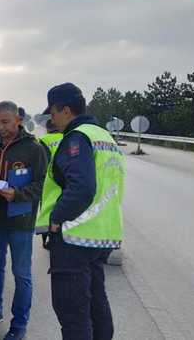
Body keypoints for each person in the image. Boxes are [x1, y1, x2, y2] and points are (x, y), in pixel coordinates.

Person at [36, 83, 125, 340]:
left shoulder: (77, 137)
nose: (51, 119)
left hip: (74, 235)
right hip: (101, 235)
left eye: (52, 113)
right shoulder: (105, 137)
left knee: (72, 311)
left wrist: (56, 219)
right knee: (96, 303)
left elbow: (82, 187)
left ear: (65, 110)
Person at [0, 101, 48, 340]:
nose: (0, 127)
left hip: (20, 223)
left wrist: (18, 194)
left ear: (18, 120)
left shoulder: (34, 148)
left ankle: (19, 324)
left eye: (5, 122)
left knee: (22, 275)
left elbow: (41, 186)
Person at [37, 119, 63, 249]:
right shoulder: (68, 137)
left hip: (50, 183)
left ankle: (46, 239)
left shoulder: (44, 140)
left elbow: (41, 164)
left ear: (47, 129)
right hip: (66, 183)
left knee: (47, 210)